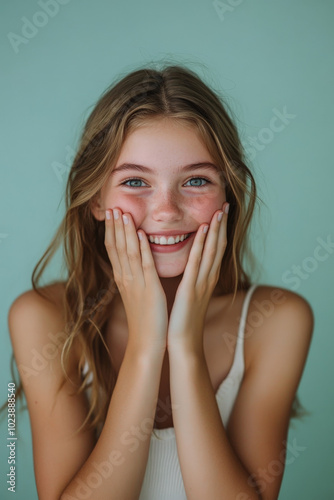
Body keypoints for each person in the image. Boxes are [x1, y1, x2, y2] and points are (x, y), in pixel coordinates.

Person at [8, 64, 314, 500]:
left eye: (195, 181)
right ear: (96, 199)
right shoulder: (43, 317)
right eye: (135, 181)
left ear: (227, 194)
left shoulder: (276, 321)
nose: (167, 211)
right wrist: (148, 344)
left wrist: (184, 344)